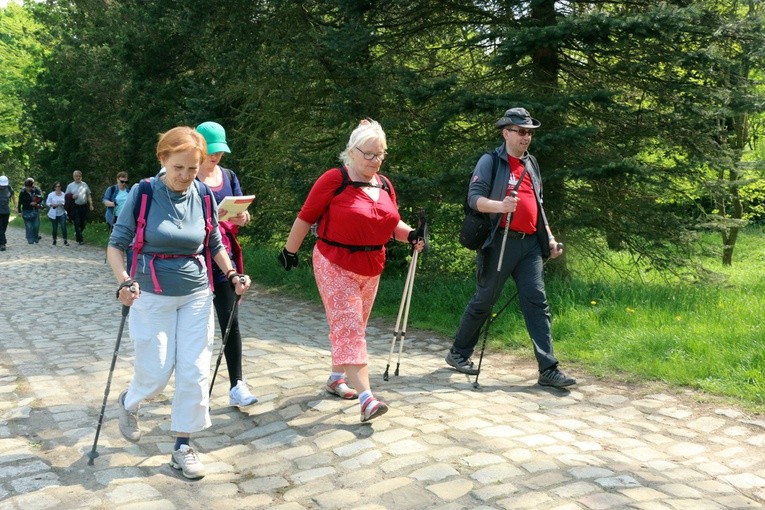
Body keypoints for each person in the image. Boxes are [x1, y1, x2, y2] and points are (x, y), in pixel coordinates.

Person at [106, 126, 252, 479]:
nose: (185, 176)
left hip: (197, 295)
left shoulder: (202, 194)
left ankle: (183, 446)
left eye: (192, 168)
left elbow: (214, 242)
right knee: (155, 372)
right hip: (151, 295)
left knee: (194, 371)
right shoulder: (142, 194)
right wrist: (124, 280)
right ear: (163, 160)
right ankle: (129, 401)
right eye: (178, 168)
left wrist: (232, 274)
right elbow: (116, 245)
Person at [278, 119, 425, 423]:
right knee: (349, 328)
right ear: (352, 152)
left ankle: (336, 377)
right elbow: (306, 216)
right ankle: (367, 399)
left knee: (355, 325)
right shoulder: (335, 179)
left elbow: (389, 223)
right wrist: (290, 251)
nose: (375, 160)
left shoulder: (384, 184)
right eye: (369, 154)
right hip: (334, 261)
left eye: (380, 155)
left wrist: (411, 234)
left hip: (372, 264)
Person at [445, 107, 576, 388]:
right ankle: (458, 352)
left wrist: (549, 239)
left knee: (537, 304)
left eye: (529, 132)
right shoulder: (490, 161)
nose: (526, 137)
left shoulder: (532, 164)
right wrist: (501, 206)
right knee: (484, 300)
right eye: (521, 131)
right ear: (506, 132)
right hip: (500, 241)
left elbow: (538, 207)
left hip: (530, 245)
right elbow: (474, 199)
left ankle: (549, 369)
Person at [196, 121, 257, 408]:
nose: (216, 157)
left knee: (230, 322)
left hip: (224, 260)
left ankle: (237, 384)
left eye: (219, 152)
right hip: (195, 260)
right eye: (211, 151)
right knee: (195, 327)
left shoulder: (229, 176)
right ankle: (192, 385)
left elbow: (240, 215)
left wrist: (242, 218)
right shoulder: (186, 176)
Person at [65, 170, 93, 245]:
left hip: (84, 206)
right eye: (76, 176)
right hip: (75, 206)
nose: (78, 177)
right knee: (77, 223)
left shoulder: (84, 184)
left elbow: (88, 194)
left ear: (81, 177)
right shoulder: (70, 185)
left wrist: (91, 204)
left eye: (79, 176)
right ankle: (80, 239)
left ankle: (78, 233)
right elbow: (66, 196)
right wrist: (72, 196)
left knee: (83, 223)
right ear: (73, 177)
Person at [17, 177, 43, 244]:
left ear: (32, 186)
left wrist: (37, 203)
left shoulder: (36, 190)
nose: (28, 188)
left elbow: (41, 198)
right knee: (29, 226)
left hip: (35, 210)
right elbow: (20, 202)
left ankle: (36, 237)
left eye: (29, 187)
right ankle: (30, 239)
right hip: (26, 210)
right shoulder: (22, 192)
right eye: (27, 187)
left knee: (36, 225)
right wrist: (19, 211)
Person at [46, 181, 69, 246]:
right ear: (54, 187)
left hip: (62, 212)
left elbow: (66, 203)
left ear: (61, 187)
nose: (57, 188)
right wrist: (52, 204)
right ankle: (54, 240)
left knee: (63, 226)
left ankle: (65, 240)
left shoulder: (64, 194)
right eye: (56, 186)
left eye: (59, 186)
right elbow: (47, 202)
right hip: (54, 212)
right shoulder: (51, 194)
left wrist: (63, 205)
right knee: (54, 227)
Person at [0, 175, 16, 251]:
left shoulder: (9, 188)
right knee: (0, 228)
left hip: (6, 211)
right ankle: (3, 244)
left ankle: (1, 241)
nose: (3, 186)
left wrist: (16, 207)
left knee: (4, 227)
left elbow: (13, 197)